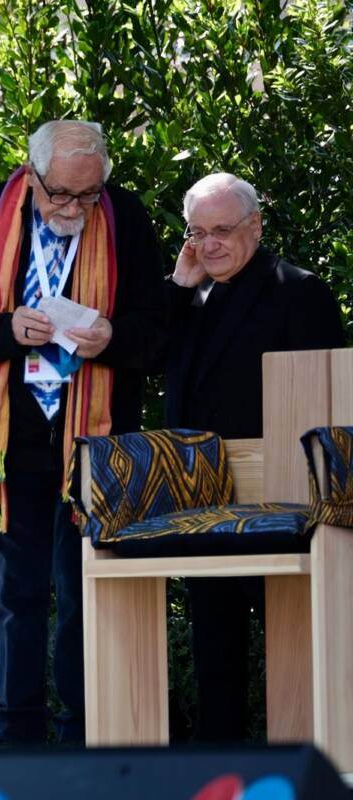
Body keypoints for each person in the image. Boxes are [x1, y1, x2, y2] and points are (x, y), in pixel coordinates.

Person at [0, 120, 165, 743]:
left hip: (94, 434)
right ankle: (19, 736)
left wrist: (113, 337)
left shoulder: (126, 219)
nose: (71, 208)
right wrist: (8, 329)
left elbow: (156, 326)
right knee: (17, 595)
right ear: (33, 176)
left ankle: (83, 731)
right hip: (10, 440)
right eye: (59, 193)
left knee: (84, 589)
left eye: (86, 197)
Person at [164, 172, 344, 742]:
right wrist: (176, 287)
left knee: (291, 638)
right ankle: (220, 763)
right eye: (197, 232)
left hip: (282, 495)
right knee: (212, 640)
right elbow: (147, 360)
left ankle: (309, 754)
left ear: (256, 226)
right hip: (201, 492)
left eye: (222, 230)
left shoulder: (299, 290)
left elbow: (326, 397)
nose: (209, 244)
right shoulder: (185, 294)